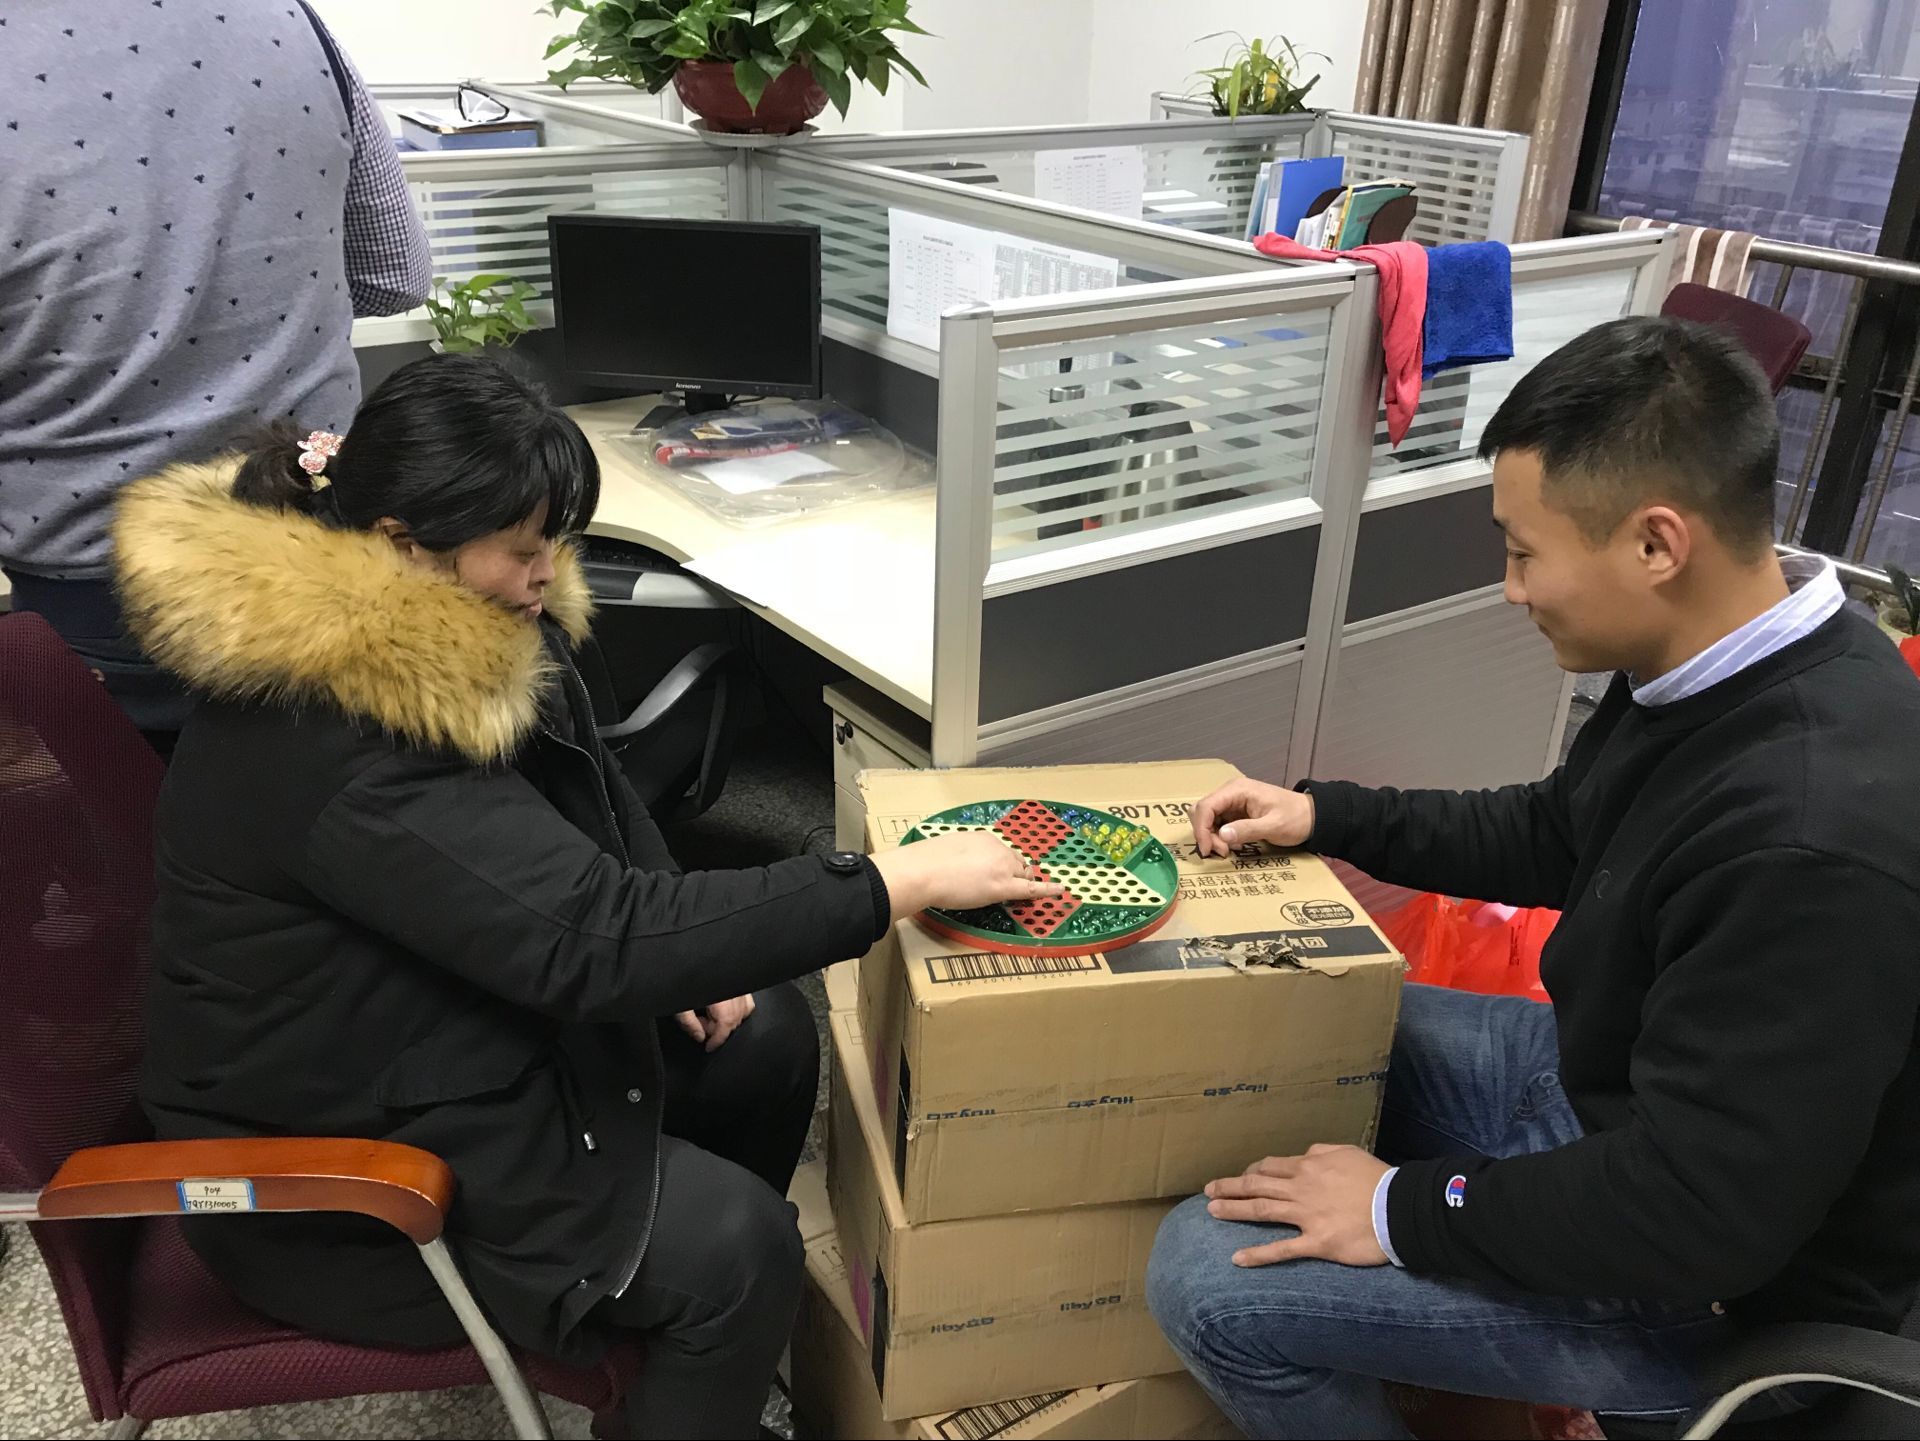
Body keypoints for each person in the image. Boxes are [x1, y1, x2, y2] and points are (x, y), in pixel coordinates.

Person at [113, 352, 1059, 1440]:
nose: (544, 574)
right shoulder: (333, 739)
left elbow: (591, 799)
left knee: (764, 1035)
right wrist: (892, 882)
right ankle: (685, 1313)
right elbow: (594, 943)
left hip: (433, 1025)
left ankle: (664, 1344)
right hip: (337, 1174)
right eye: (522, 550)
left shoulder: (441, 635)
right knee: (739, 1249)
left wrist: (679, 929)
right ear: (401, 544)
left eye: (551, 541)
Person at [1147, 316, 1920, 1438]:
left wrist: (1403, 1207)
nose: (1511, 588)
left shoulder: (1808, 836)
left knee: (1203, 1276)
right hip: (1609, 1091)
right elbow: (1562, 830)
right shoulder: (1716, 663)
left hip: (1707, 1289)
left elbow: (1696, 1214)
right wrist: (1328, 815)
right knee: (1296, 1017)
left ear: (1656, 544)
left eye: (1523, 553)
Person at [1, 1, 431, 749]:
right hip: (319, 551)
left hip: (97, 593)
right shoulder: (293, 21)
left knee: (125, 813)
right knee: (325, 808)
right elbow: (392, 277)